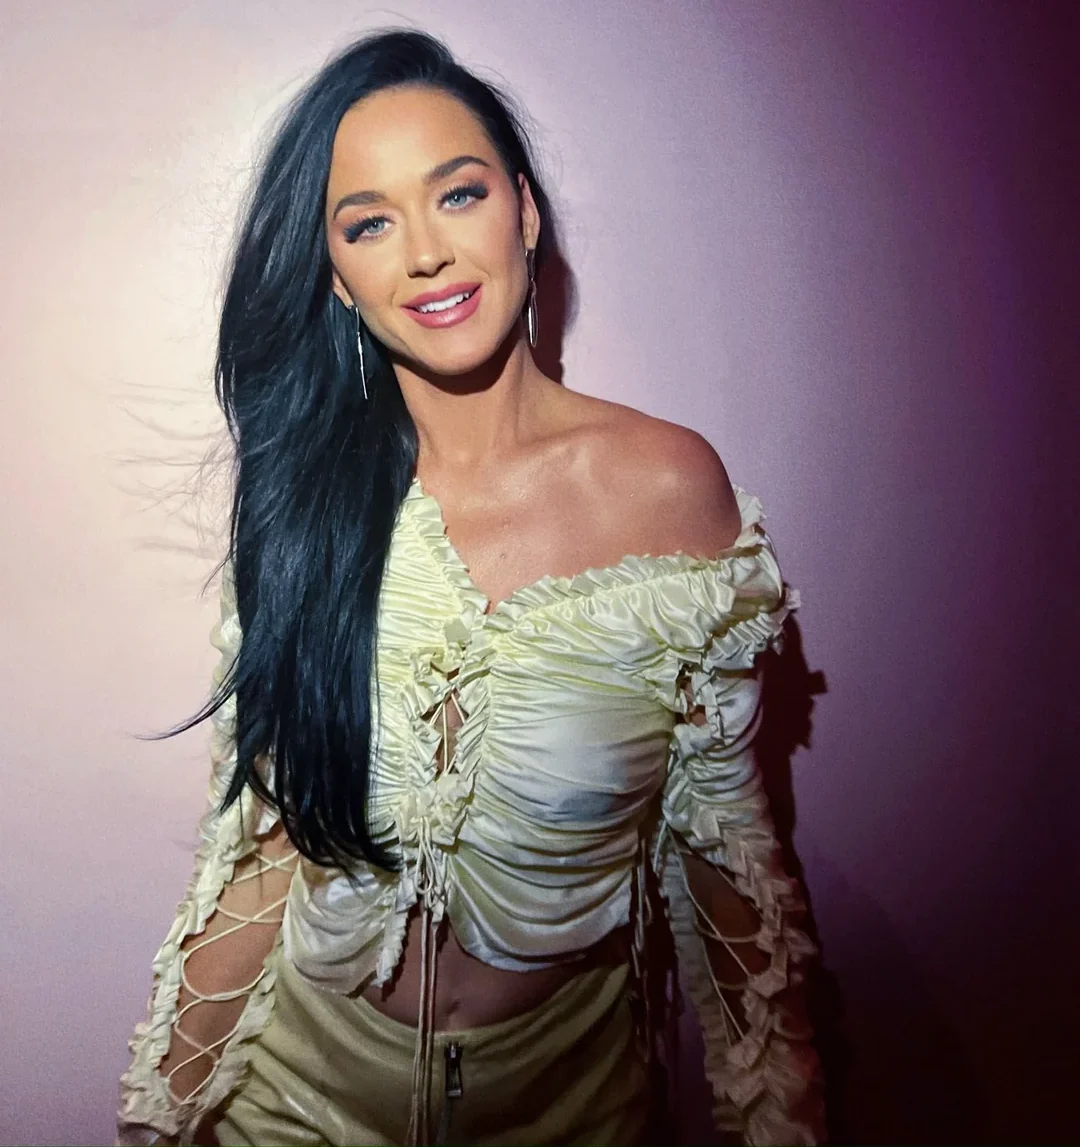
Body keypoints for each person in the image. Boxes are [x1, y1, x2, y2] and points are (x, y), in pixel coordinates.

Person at [115, 28, 822, 1147]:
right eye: (369, 223)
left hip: (568, 1111)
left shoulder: (667, 488)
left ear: (525, 214)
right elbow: (255, 859)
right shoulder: (305, 506)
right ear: (340, 279)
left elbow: (729, 863)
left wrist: (780, 1122)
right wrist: (161, 1119)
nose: (426, 254)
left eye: (458, 193)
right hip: (292, 1107)